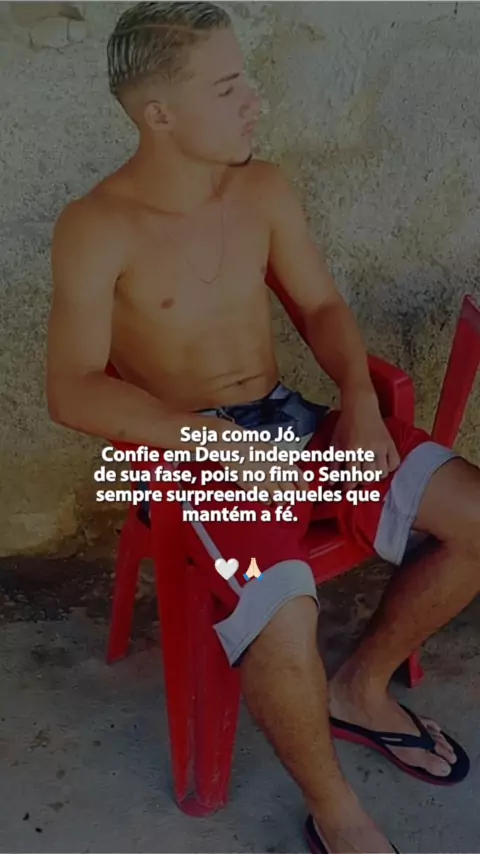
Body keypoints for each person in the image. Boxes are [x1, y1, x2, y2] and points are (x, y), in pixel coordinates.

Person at [46, 3, 479, 852]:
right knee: (281, 610)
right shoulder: (96, 227)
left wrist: (359, 398)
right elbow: (73, 390)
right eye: (227, 86)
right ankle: (336, 811)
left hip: (295, 424)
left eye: (244, 77)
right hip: (196, 460)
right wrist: (218, 444)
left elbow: (319, 305)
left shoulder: (262, 188)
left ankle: (360, 689)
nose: (255, 98)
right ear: (159, 113)